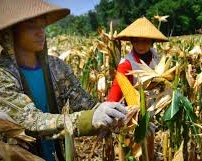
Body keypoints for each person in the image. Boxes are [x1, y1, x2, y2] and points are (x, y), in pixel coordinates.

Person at [0, 0, 128, 161]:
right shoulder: (3, 75)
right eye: (31, 26)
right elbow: (30, 121)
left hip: (56, 153)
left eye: (42, 25)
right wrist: (89, 120)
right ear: (10, 32)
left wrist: (124, 117)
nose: (41, 32)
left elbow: (82, 101)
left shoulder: (57, 66)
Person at [107, 17, 168, 160]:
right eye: (136, 40)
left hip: (149, 109)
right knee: (133, 151)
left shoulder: (154, 55)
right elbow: (116, 91)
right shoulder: (126, 64)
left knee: (149, 149)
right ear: (131, 41)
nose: (140, 44)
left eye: (145, 40)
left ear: (152, 42)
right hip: (130, 115)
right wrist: (111, 112)